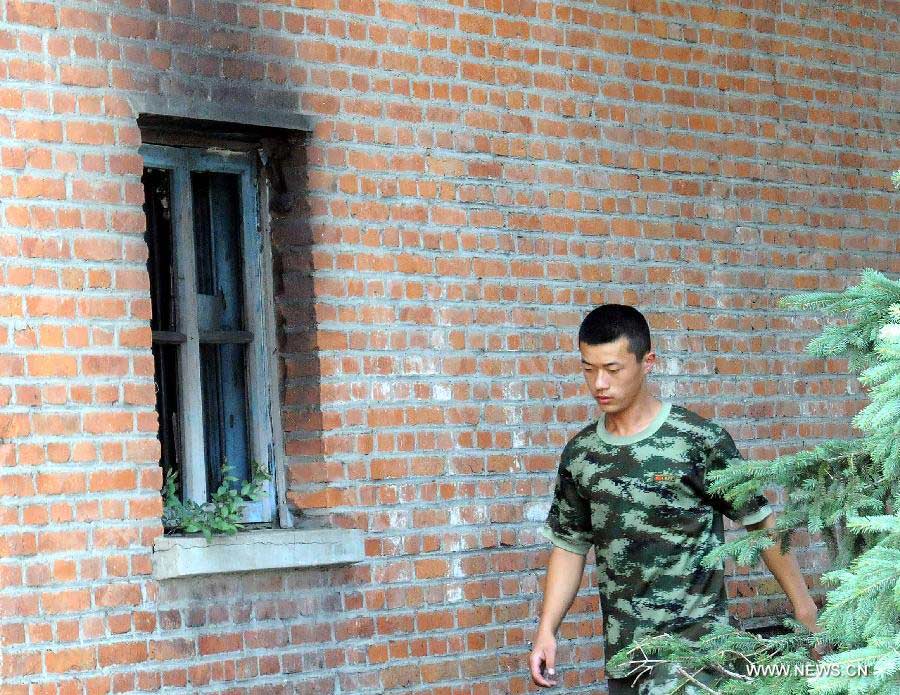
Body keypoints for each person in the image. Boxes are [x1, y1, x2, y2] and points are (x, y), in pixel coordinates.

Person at [528, 304, 821, 694]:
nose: (599, 383)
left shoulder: (697, 441)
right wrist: (547, 630)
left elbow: (758, 523)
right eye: (588, 368)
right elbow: (570, 546)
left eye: (612, 369)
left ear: (647, 362)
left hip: (700, 657)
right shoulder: (581, 455)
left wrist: (804, 608)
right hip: (628, 659)